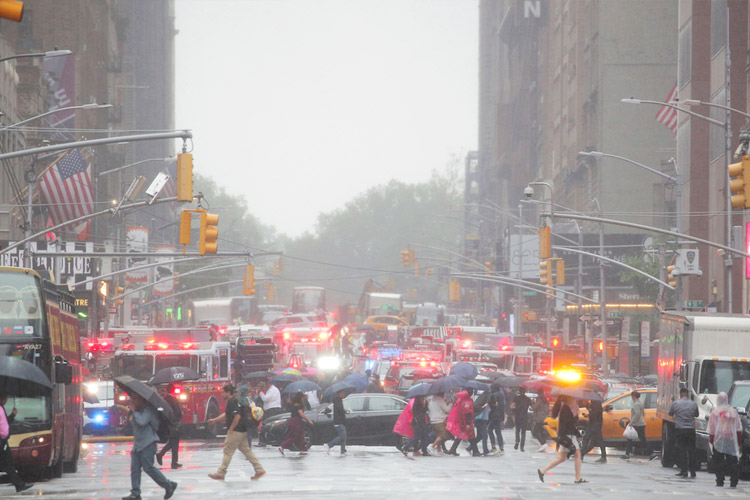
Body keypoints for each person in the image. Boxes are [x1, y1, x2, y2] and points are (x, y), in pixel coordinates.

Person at [122, 392, 177, 500]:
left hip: (148, 444)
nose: (132, 401)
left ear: (141, 399)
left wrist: (133, 411)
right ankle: (135, 493)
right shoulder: (138, 411)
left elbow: (142, 422)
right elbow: (135, 424)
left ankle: (168, 484)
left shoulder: (149, 410)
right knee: (135, 469)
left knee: (149, 468)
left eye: (134, 399)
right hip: (138, 445)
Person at [207, 384, 265, 481]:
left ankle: (220, 473)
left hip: (236, 431)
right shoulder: (235, 401)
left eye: (223, 392)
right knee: (247, 451)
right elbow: (227, 414)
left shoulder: (232, 402)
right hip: (242, 431)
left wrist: (231, 428)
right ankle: (259, 470)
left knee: (227, 451)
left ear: (228, 393)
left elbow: (237, 416)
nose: (222, 394)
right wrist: (215, 420)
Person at [537, 395, 587, 484]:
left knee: (562, 458)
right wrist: (577, 433)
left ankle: (543, 470)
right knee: (578, 455)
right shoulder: (567, 409)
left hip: (565, 435)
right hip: (569, 436)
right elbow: (569, 424)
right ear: (569, 398)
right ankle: (577, 478)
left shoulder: (567, 408)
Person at [0, 394, 33, 494]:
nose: (6, 401)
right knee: (9, 465)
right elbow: (4, 427)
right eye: (6, 399)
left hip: (3, 442)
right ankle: (19, 485)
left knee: (9, 465)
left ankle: (19, 485)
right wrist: (13, 415)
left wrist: (12, 415)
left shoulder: (1, 408)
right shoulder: (0, 409)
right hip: (2, 442)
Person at [709, 392, 742, 487]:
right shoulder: (733, 412)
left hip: (719, 439)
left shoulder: (715, 412)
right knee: (732, 460)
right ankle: (734, 480)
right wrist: (738, 442)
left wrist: (711, 439)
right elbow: (738, 428)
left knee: (718, 460)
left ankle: (720, 480)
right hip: (731, 439)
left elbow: (712, 427)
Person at [668, 388, 699, 478]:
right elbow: (696, 414)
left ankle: (684, 470)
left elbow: (670, 413)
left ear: (680, 395)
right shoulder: (693, 404)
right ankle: (693, 471)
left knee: (682, 450)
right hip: (691, 430)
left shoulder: (675, 404)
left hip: (680, 430)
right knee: (692, 450)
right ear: (688, 395)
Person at [155, 385, 182, 469]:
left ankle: (173, 462)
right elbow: (178, 413)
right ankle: (165, 457)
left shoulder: (164, 400)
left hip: (168, 423)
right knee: (174, 442)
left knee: (173, 443)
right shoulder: (172, 400)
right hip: (174, 423)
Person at [446, 389, 475, 456]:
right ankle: (475, 451)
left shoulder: (460, 399)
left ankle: (453, 449)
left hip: (460, 420)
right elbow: (468, 412)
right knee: (469, 436)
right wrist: (468, 423)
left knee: (465, 436)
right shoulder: (468, 401)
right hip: (466, 421)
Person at [581, 399, 607, 463]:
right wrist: (588, 406)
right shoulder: (593, 402)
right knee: (592, 439)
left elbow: (595, 413)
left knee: (589, 438)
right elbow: (593, 412)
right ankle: (582, 454)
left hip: (596, 423)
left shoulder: (596, 403)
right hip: (593, 423)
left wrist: (589, 409)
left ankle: (581, 454)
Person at [623, 390, 647, 459]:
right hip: (641, 423)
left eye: (632, 396)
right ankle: (627, 453)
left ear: (633, 396)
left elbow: (637, 414)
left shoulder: (636, 404)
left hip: (637, 424)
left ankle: (627, 454)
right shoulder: (640, 403)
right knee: (641, 439)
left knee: (631, 438)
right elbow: (642, 413)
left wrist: (631, 423)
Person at [326, 389, 348, 456]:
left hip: (340, 420)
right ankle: (329, 445)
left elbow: (340, 409)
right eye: (343, 393)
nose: (344, 395)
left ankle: (343, 451)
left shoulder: (339, 400)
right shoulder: (337, 400)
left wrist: (343, 410)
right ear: (339, 393)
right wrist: (344, 411)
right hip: (338, 421)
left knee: (344, 436)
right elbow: (340, 410)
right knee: (342, 436)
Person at [471, 391, 491, 456]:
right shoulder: (483, 403)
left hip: (481, 420)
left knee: (479, 437)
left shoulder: (483, 402)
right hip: (480, 420)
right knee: (485, 436)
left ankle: (469, 448)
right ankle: (486, 451)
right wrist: (483, 406)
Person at [488, 385, 505, 454]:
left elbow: (492, 405)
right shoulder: (501, 395)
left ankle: (494, 446)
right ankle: (500, 447)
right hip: (500, 415)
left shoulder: (493, 395)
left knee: (490, 430)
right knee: (498, 431)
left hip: (494, 415)